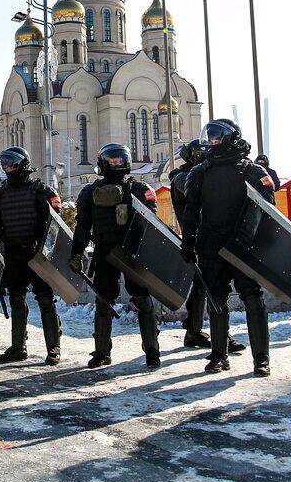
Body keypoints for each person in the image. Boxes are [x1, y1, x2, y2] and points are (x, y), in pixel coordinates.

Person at [181, 119, 276, 375]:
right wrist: (188, 242)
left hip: (243, 243)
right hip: (211, 244)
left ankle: (261, 359)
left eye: (217, 137)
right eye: (210, 137)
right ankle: (219, 355)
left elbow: (268, 210)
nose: (212, 141)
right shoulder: (200, 172)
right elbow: (191, 212)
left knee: (252, 298)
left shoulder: (252, 171)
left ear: (231, 138)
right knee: (215, 299)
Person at [69, 143, 161, 369]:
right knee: (103, 302)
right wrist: (76, 253)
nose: (117, 163)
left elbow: (151, 224)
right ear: (103, 163)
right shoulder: (89, 192)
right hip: (105, 252)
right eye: (112, 160)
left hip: (133, 253)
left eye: (120, 159)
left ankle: (152, 351)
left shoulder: (139, 189)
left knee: (142, 300)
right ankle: (102, 352)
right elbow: (82, 227)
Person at [0, 147, 64, 364]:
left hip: (37, 254)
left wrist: (48, 254)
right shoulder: (0, 194)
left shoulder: (41, 190)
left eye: (11, 163)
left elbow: (55, 226)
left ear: (23, 165)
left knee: (45, 299)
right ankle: (18, 347)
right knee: (16, 299)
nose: (8, 168)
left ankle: (54, 348)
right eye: (5, 164)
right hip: (13, 254)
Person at [169, 140, 210, 349]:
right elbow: (191, 187)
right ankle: (197, 331)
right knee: (205, 284)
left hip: (211, 235)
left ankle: (194, 330)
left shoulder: (205, 173)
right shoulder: (180, 176)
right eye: (199, 155)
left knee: (204, 285)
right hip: (194, 237)